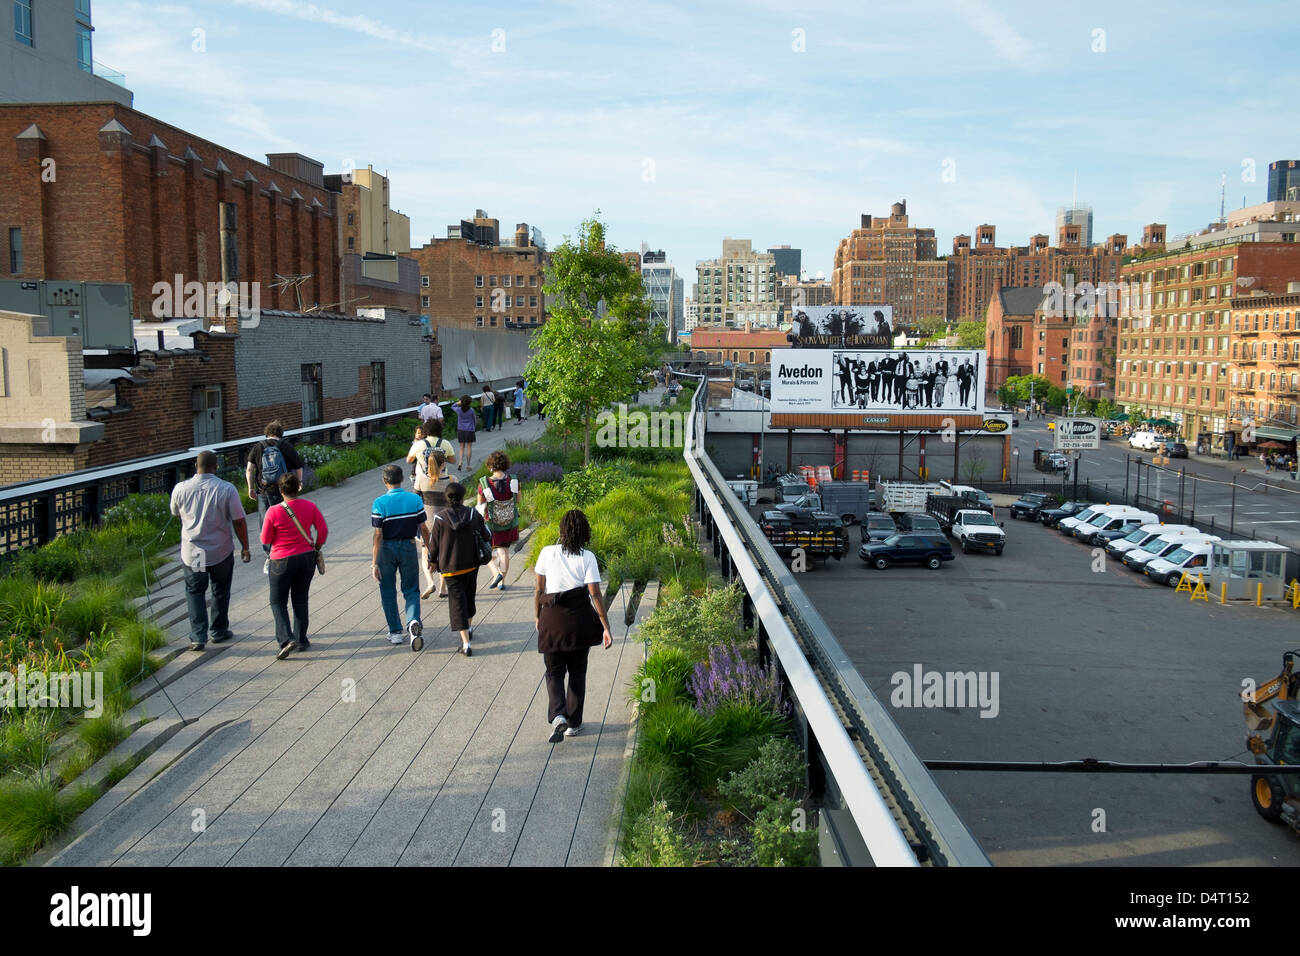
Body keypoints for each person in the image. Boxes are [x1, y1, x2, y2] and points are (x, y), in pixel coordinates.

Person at [534, 509, 614, 743]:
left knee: (554, 671)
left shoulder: (547, 553)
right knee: (578, 673)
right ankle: (574, 723)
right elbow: (595, 594)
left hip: (551, 619)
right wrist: (606, 626)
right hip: (579, 622)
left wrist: (538, 616)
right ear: (584, 532)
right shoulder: (587, 557)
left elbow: (539, 590)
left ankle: (558, 714)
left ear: (561, 530)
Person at [170, 450, 251, 651]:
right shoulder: (226, 489)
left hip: (195, 551)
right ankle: (219, 630)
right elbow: (239, 520)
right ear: (216, 466)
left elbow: (175, 512)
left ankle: (198, 636)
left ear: (196, 466)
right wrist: (245, 547)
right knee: (220, 589)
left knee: (195, 591)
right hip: (220, 551)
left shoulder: (181, 488)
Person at [260, 473, 328, 660]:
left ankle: (285, 639)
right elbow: (322, 530)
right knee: (300, 599)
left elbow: (265, 539)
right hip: (306, 558)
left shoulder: (273, 511)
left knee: (277, 601)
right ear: (298, 487)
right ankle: (301, 639)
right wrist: (317, 546)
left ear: (280, 490)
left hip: (281, 561)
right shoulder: (310, 506)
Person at [371, 464, 432, 651]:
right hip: (408, 546)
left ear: (384, 481)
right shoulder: (414, 499)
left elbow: (378, 534)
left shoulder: (379, 503)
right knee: (411, 589)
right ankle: (413, 621)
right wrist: (430, 550)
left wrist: (374, 563)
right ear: (402, 479)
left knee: (388, 590)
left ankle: (396, 632)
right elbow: (423, 528)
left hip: (386, 549)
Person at [428, 481, 489, 656]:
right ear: (463, 497)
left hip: (450, 568)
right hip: (471, 565)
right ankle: (468, 628)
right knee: (469, 598)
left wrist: (432, 561)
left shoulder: (440, 518)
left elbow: (433, 544)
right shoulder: (473, 514)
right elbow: (486, 535)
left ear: (446, 497)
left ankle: (466, 644)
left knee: (457, 603)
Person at [406, 422, 457, 598]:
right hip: (446, 520)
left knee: (426, 550)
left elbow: (409, 460)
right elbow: (452, 460)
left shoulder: (419, 445)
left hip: (427, 518)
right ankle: (444, 588)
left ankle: (429, 582)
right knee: (444, 551)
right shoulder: (447, 447)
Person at [246, 420, 304, 570]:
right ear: (281, 434)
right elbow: (298, 466)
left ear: (267, 433)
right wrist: (299, 483)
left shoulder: (258, 447)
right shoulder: (286, 446)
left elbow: (249, 470)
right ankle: (285, 549)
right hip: (283, 491)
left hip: (264, 491)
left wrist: (250, 488)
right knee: (284, 520)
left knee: (265, 522)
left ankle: (269, 554)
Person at [477, 451, 520, 591]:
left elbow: (480, 506)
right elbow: (518, 500)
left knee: (488, 550)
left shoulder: (484, 483)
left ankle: (496, 574)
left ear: (490, 465)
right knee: (504, 552)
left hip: (492, 523)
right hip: (510, 522)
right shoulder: (513, 480)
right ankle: (502, 581)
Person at [454, 395, 477, 471]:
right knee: (469, 447)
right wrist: (474, 427)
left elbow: (452, 406)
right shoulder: (471, 410)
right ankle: (468, 465)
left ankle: (460, 462)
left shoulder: (458, 410)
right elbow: (474, 420)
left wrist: (458, 403)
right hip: (470, 430)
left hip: (461, 430)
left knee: (461, 447)